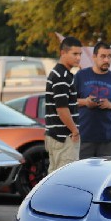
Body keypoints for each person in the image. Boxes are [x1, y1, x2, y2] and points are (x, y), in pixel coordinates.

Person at [75, 42, 111, 159]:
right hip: (84, 137)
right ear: (94, 57)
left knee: (106, 174)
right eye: (103, 56)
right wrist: (86, 102)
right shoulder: (81, 75)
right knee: (82, 173)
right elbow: (69, 101)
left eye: (109, 56)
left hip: (108, 139)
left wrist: (110, 105)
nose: (106, 60)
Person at [44, 36, 82, 174]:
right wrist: (74, 130)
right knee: (66, 178)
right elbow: (61, 108)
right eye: (75, 54)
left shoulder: (61, 73)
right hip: (64, 136)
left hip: (57, 136)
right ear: (63, 53)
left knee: (54, 178)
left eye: (80, 54)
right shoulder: (61, 76)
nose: (78, 58)